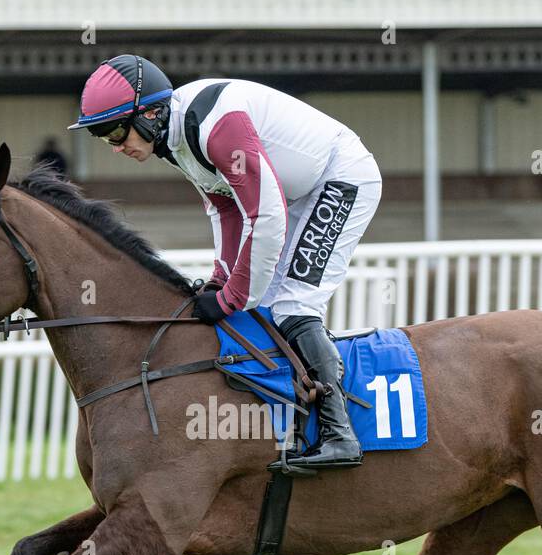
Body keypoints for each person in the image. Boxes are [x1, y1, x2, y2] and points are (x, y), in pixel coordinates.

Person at [68, 54, 381, 470]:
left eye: (115, 131)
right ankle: (289, 419)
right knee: (264, 300)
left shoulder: (215, 126)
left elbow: (266, 214)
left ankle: (338, 433)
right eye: (103, 137)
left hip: (340, 177)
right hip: (297, 192)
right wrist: (221, 279)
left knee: (292, 302)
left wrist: (233, 295)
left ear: (150, 114)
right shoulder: (176, 139)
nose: (115, 145)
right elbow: (225, 209)